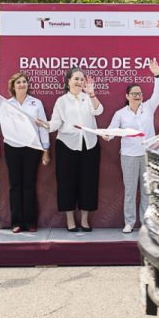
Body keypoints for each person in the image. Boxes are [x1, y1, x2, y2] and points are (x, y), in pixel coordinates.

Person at [105, 60, 159, 233]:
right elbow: (112, 130)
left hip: (147, 154)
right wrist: (107, 135)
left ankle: (146, 223)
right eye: (134, 93)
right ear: (127, 96)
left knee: (146, 191)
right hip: (128, 156)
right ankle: (129, 222)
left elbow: (158, 93)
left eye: (139, 93)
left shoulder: (149, 108)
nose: (137, 95)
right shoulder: (120, 114)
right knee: (130, 191)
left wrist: (157, 76)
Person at [47, 67, 103, 232]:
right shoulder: (61, 101)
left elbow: (98, 110)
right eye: (76, 79)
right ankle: (70, 220)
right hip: (66, 145)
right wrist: (46, 126)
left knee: (89, 182)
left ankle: (85, 220)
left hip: (89, 144)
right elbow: (56, 123)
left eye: (81, 79)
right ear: (68, 81)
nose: (79, 82)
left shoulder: (88, 98)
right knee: (66, 183)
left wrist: (92, 94)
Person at [4, 73, 50, 233]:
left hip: (32, 148)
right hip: (12, 147)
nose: (22, 84)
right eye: (18, 82)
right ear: (13, 86)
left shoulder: (36, 103)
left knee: (29, 185)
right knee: (15, 186)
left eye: (24, 82)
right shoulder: (7, 104)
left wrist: (46, 149)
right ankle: (16, 222)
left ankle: (31, 222)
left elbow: (43, 127)